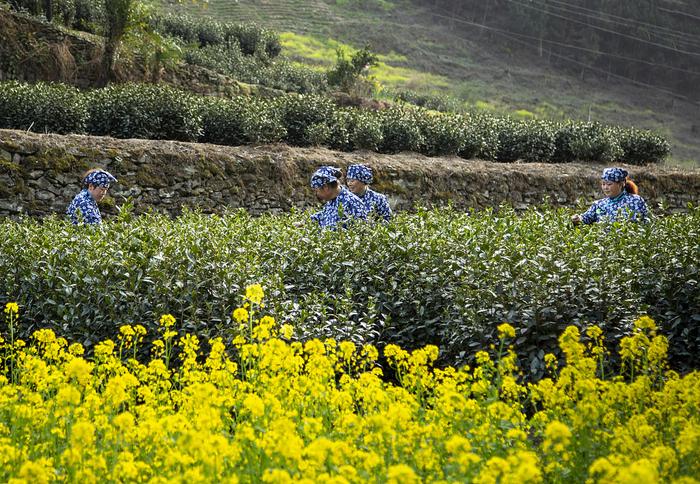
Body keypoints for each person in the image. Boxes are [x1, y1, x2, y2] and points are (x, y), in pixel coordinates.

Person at [571, 167, 649, 225]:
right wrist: (578, 219)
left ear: (621, 184)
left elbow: (647, 222)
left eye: (609, 184)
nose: (605, 187)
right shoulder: (599, 204)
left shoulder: (635, 201)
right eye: (603, 184)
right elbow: (586, 218)